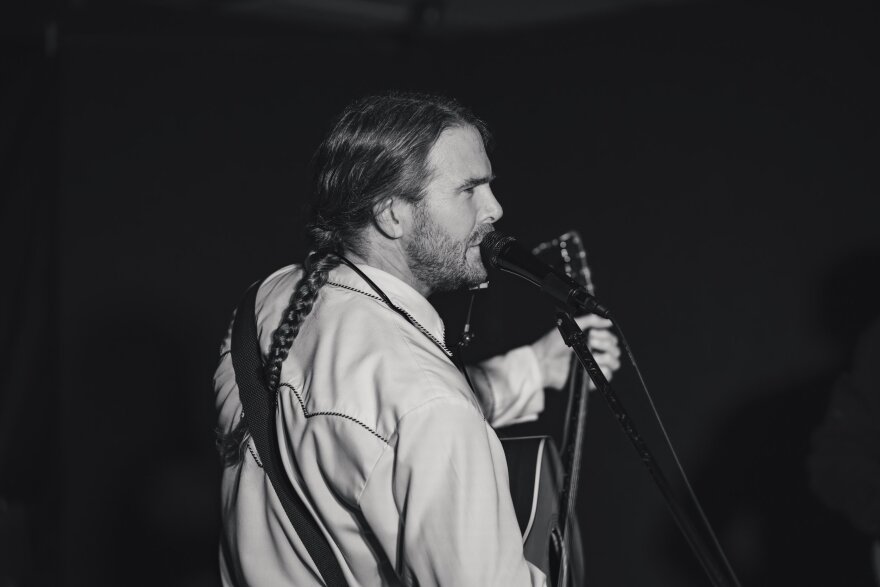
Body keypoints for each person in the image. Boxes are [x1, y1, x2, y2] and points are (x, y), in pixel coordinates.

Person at [213, 91, 620, 586]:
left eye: (491, 185)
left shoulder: (267, 300)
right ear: (391, 215)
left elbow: (370, 430)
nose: (495, 208)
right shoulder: (430, 405)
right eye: (469, 189)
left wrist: (537, 367)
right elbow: (413, 418)